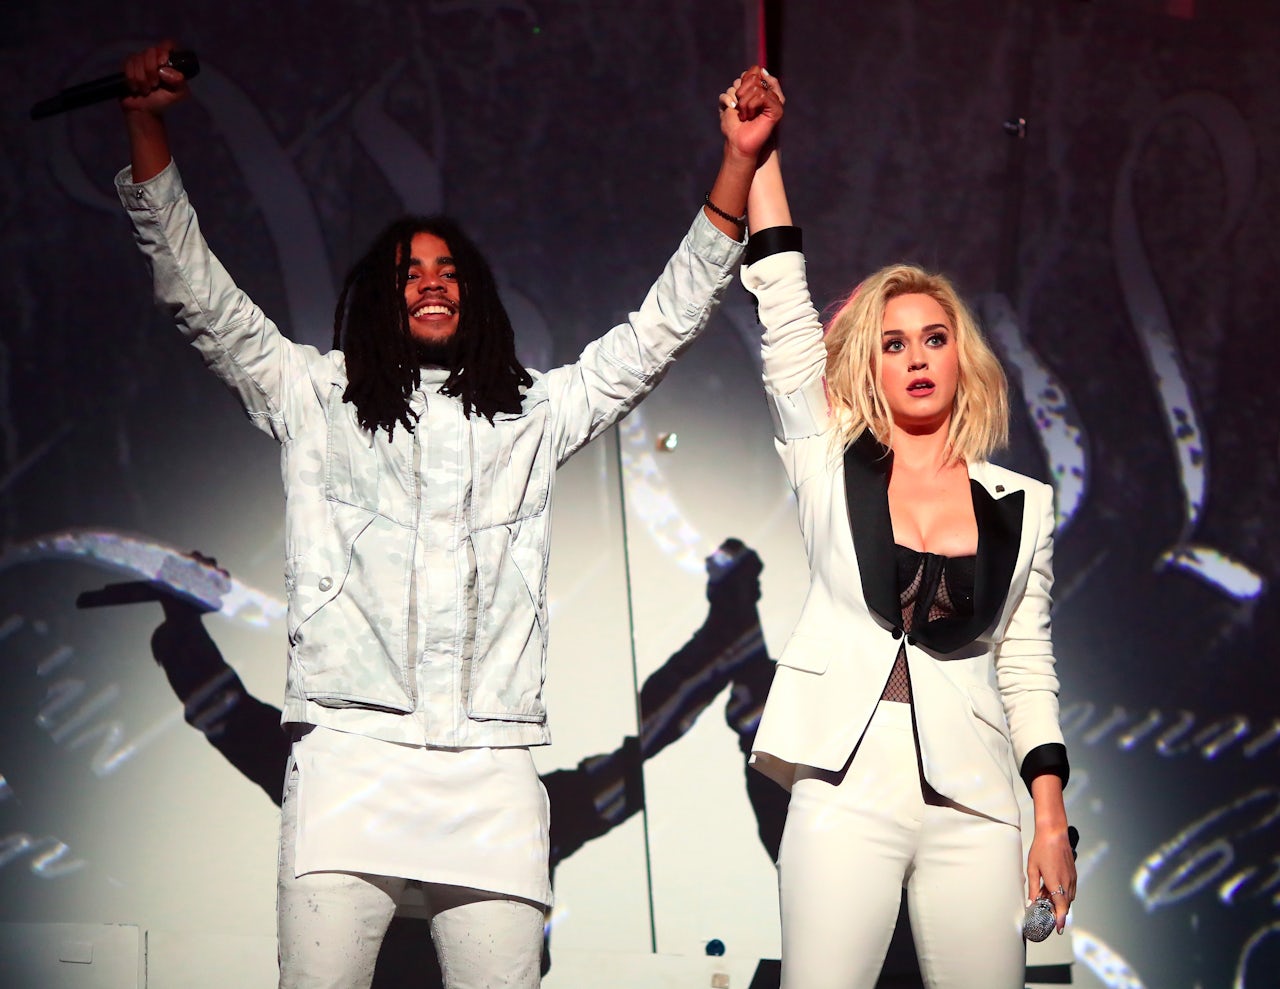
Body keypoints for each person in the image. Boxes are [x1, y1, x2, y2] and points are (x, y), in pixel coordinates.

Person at [113, 41, 781, 989]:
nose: (430, 279)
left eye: (448, 268)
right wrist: (145, 126)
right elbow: (198, 294)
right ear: (378, 298)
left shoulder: (531, 416)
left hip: (492, 771)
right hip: (349, 762)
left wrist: (738, 166)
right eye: (407, 270)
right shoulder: (313, 396)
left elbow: (656, 334)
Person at [720, 68, 1076, 988]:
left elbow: (1026, 666)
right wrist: (755, 158)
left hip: (979, 797)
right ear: (868, 365)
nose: (916, 357)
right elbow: (788, 310)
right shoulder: (829, 459)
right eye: (892, 341)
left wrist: (1047, 818)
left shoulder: (1023, 502)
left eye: (933, 337)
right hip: (846, 779)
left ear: (964, 356)